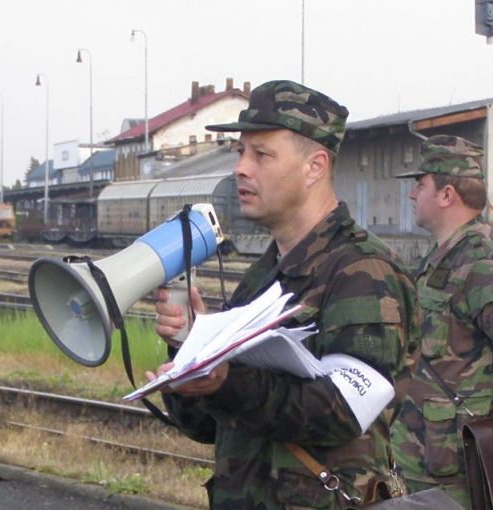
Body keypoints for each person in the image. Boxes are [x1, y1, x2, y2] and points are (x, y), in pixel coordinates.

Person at [149, 80, 420, 509]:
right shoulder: (263, 277)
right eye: (240, 152)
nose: (241, 168)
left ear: (315, 167)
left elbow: (343, 412)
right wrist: (190, 354)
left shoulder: (364, 274)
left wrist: (228, 381)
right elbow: (207, 427)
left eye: (262, 155)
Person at [392, 135, 493, 508]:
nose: (412, 194)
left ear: (447, 194)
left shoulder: (480, 262)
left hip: (458, 473)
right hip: (428, 459)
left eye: (421, 184)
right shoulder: (445, 257)